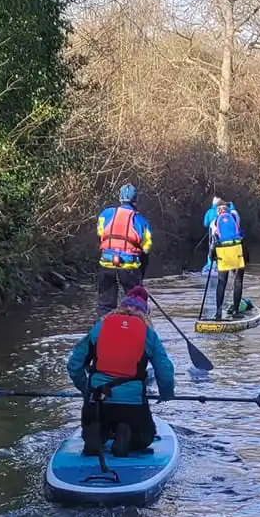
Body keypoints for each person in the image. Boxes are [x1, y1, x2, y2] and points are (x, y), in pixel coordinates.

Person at [67, 286, 175, 456]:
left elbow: (74, 364)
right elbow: (165, 371)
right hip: (131, 405)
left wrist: (84, 389)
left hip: (96, 401)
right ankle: (127, 435)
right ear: (145, 313)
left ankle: (96, 435)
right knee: (144, 438)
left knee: (94, 424)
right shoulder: (148, 333)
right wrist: (166, 394)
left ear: (120, 307)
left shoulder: (100, 327)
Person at [95, 184, 152, 314]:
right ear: (135, 200)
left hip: (106, 264)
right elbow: (146, 250)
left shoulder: (105, 214)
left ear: (120, 198)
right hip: (129, 267)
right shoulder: (141, 221)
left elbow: (100, 235)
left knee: (105, 304)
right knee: (134, 304)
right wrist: (140, 278)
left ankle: (102, 327)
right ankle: (133, 325)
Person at [206, 197, 246, 318]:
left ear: (217, 210)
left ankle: (218, 312)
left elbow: (213, 240)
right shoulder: (234, 215)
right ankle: (236, 311)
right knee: (238, 281)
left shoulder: (214, 221)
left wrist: (211, 256)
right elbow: (239, 228)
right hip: (236, 250)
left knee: (221, 282)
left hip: (222, 252)